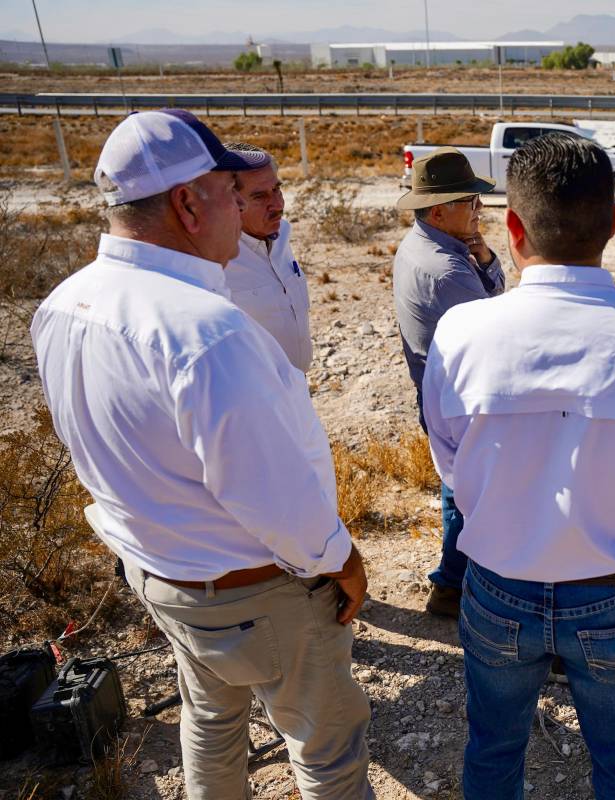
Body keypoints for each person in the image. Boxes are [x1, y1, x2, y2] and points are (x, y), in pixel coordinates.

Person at [30, 110, 373, 800]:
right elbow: (271, 498)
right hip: (260, 589)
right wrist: (342, 560)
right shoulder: (207, 333)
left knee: (212, 720)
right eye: (228, 190)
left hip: (164, 577)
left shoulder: (64, 304)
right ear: (188, 203)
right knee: (327, 753)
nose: (242, 208)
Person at [422, 133, 615, 800]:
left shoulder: (463, 332)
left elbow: (451, 463)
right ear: (614, 222)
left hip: (497, 589)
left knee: (493, 754)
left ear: (514, 228)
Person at [392, 146, 503, 619]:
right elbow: (496, 320)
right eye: (470, 201)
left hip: (441, 392)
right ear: (439, 211)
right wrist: (487, 264)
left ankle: (452, 582)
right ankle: (453, 586)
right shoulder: (448, 270)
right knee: (467, 493)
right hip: (460, 399)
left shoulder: (426, 245)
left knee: (459, 488)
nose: (480, 208)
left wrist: (485, 254)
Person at [223, 141, 313, 372]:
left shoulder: (281, 235)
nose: (278, 204)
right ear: (229, 201)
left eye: (277, 190)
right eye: (260, 196)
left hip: (296, 387)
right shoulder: (217, 259)